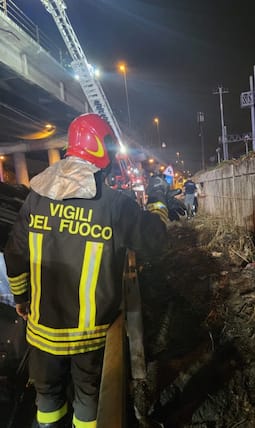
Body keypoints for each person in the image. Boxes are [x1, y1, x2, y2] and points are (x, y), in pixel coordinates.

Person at [4, 113, 185, 428]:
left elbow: (15, 252)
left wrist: (21, 297)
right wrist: (158, 206)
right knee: (89, 399)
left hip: (42, 331)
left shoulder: (35, 199)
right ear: (103, 152)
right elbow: (155, 241)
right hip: (90, 335)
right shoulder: (114, 204)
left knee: (47, 398)